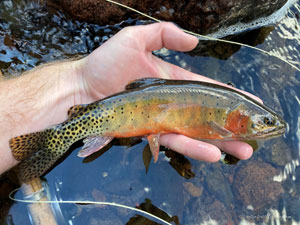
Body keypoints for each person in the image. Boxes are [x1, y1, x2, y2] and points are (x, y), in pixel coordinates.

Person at [0, 22, 256, 176]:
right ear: (241, 117)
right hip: (107, 114)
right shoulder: (225, 122)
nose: (263, 127)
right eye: (262, 122)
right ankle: (51, 142)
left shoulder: (228, 116)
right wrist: (79, 81)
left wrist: (78, 82)